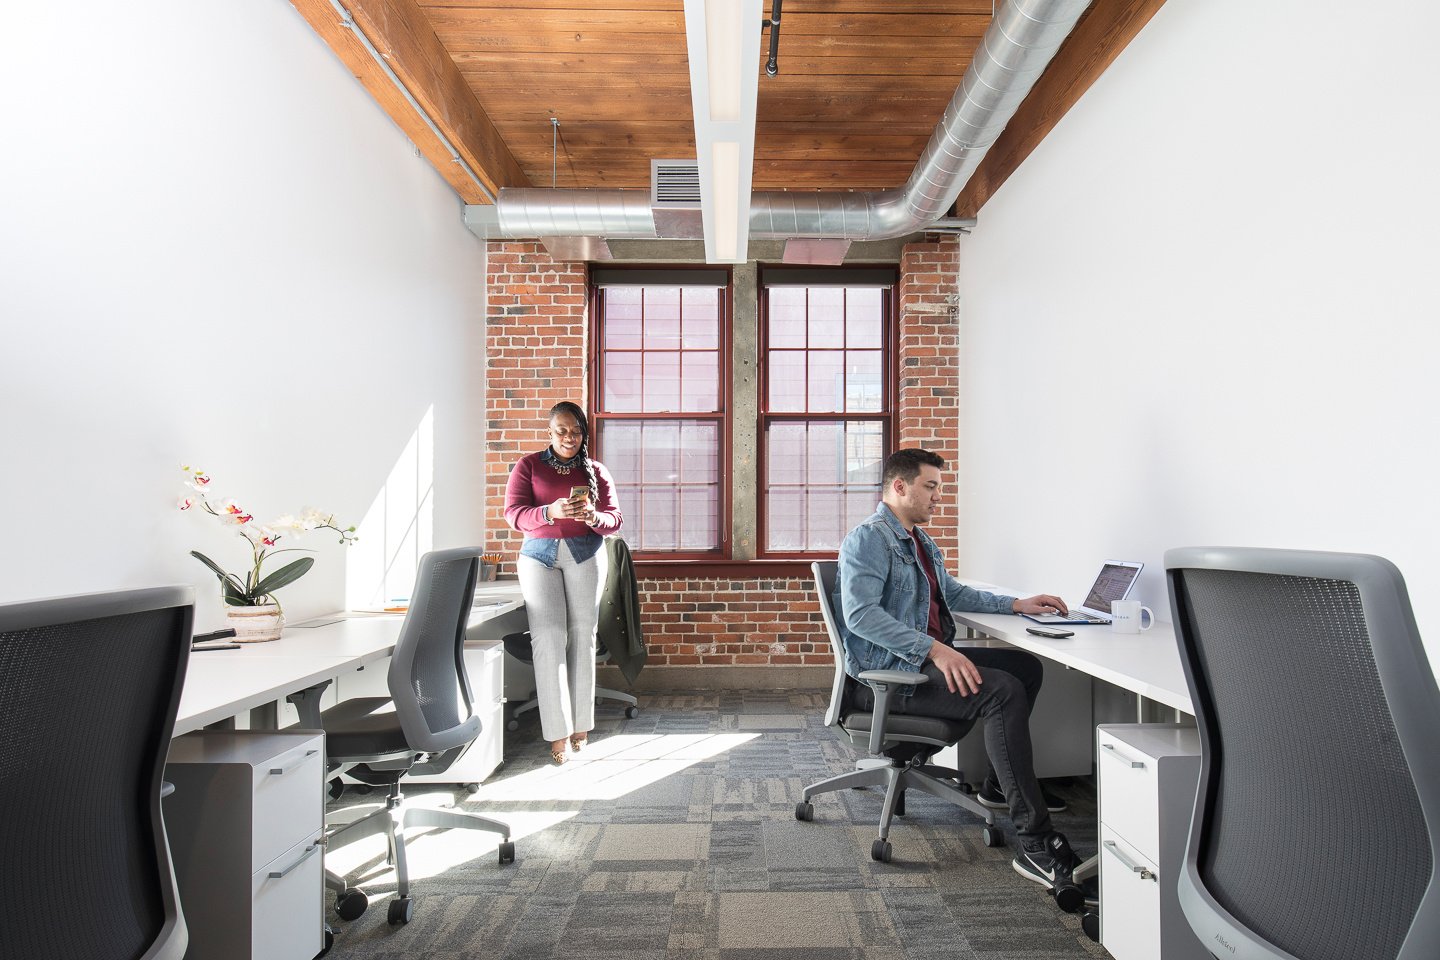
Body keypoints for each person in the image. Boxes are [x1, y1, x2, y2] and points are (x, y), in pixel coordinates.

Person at [834, 447, 1083, 889]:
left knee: (1025, 668)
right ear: (899, 486)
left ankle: (995, 787)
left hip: (918, 661)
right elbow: (861, 616)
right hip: (889, 677)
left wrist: (1016, 604)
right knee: (1002, 690)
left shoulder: (918, 540)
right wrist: (934, 650)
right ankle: (1037, 843)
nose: (938, 497)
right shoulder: (869, 539)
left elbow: (954, 594)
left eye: (939, 488)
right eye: (930, 487)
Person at [504, 401, 623, 765]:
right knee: (549, 635)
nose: (569, 437)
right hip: (538, 556)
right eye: (561, 430)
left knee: (582, 635)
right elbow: (513, 514)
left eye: (576, 431)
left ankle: (581, 727)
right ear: (550, 432)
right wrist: (549, 512)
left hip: (585, 554)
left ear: (584, 433)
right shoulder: (528, 466)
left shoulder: (596, 471)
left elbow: (615, 519)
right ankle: (556, 732)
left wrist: (592, 517)